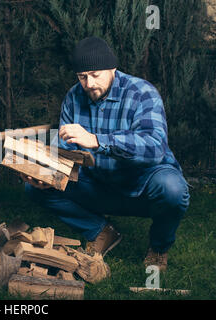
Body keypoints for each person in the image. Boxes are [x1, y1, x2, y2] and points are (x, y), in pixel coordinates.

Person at [21, 36, 190, 271]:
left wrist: (98, 141)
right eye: (82, 77)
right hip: (99, 184)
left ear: (112, 68)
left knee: (173, 189)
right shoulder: (73, 97)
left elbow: (154, 147)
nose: (88, 83)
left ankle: (159, 247)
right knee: (35, 188)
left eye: (95, 74)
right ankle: (101, 231)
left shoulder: (142, 93)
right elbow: (69, 157)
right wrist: (48, 175)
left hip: (142, 187)